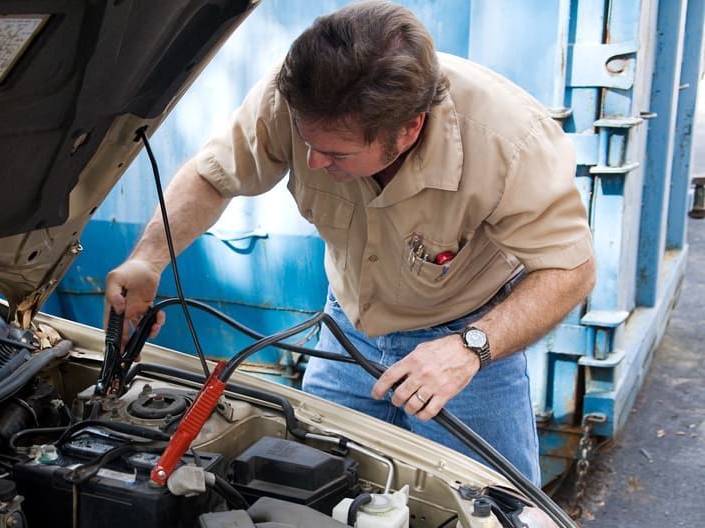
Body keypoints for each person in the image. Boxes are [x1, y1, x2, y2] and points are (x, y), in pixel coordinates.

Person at [104, 0, 595, 485]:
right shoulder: (294, 95)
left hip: (468, 344)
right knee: (312, 497)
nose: (312, 162)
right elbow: (214, 176)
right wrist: (149, 259)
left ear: (408, 130)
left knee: (498, 521)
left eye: (335, 152)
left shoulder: (508, 140)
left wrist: (470, 348)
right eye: (306, 141)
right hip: (346, 335)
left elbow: (570, 270)